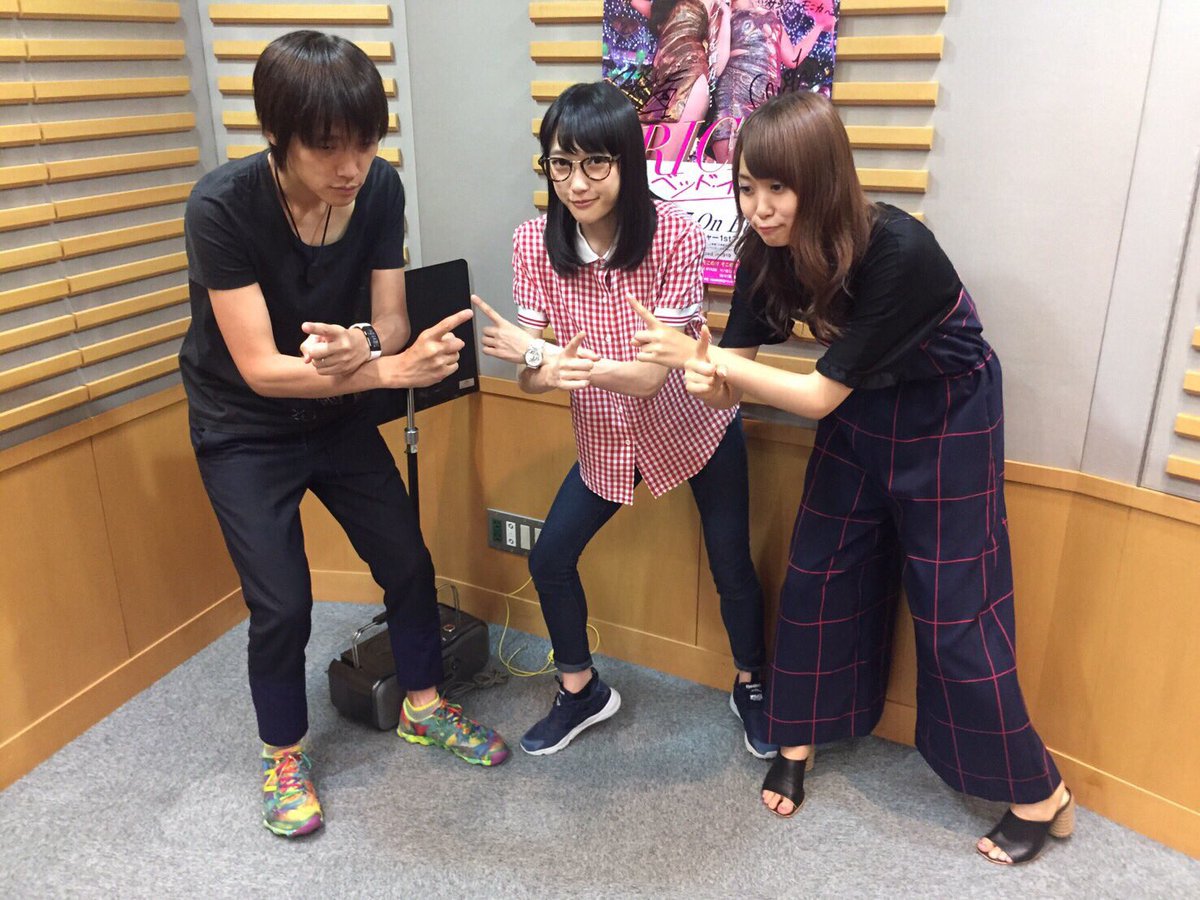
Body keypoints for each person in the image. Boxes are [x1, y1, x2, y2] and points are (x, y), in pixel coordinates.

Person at [630, 90, 1073, 865]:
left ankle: (1040, 793)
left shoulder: (898, 248)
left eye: (779, 188)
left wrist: (709, 362)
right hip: (860, 403)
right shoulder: (764, 249)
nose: (761, 208)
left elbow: (810, 395)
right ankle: (797, 739)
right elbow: (739, 373)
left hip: (948, 413)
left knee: (955, 609)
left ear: (824, 180)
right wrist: (707, 375)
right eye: (747, 187)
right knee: (816, 575)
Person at [180, 30, 509, 838]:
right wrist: (388, 372)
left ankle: (424, 705)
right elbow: (261, 369)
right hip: (243, 426)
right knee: (283, 603)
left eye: (364, 143)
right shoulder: (221, 207)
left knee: (407, 561)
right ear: (277, 135)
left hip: (336, 412)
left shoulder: (379, 188)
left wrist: (364, 344)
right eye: (328, 147)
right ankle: (283, 754)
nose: (351, 166)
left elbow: (390, 320)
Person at [470, 80, 775, 759]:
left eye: (595, 163)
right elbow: (529, 373)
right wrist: (539, 366)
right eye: (561, 164)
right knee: (550, 556)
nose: (576, 183)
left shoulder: (674, 237)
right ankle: (580, 689)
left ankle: (752, 682)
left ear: (626, 163)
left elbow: (647, 376)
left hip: (697, 425)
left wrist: (557, 361)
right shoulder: (532, 243)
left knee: (730, 562)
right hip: (606, 439)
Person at [708, 0, 836, 162]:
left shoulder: (771, 17)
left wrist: (818, 27)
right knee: (732, 166)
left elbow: (793, 58)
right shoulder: (723, 12)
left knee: (758, 163)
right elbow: (717, 60)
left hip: (765, 99)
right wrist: (725, 15)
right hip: (736, 94)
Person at [631, 0, 730, 164]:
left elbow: (718, 66)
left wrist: (725, 15)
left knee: (661, 167)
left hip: (689, 78)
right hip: (662, 84)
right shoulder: (665, 7)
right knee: (638, 164)